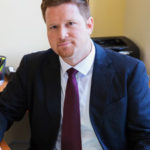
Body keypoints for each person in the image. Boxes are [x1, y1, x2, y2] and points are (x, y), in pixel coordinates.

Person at [0, 0, 150, 149]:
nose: (62, 35)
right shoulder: (32, 66)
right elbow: (4, 110)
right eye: (53, 27)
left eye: (70, 23)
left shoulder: (130, 71)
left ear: (89, 25)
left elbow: (144, 135)